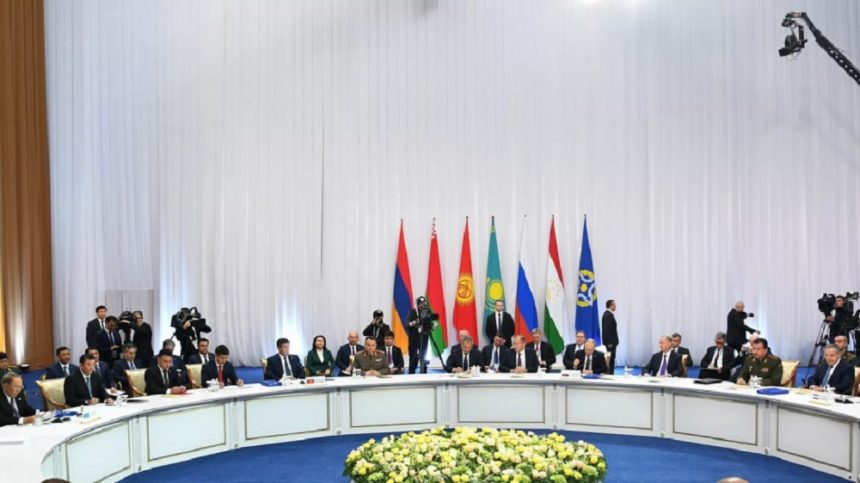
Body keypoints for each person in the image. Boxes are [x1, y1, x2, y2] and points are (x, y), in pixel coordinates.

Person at [406, 296, 439, 374]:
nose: (422, 306)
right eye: (420, 304)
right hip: (414, 338)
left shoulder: (427, 312)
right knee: (413, 357)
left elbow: (430, 323)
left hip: (424, 337)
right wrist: (416, 322)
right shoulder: (413, 312)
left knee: (424, 356)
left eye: (423, 304)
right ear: (417, 304)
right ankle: (411, 373)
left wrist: (433, 325)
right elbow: (408, 324)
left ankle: (424, 372)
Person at [601, 299, 619, 373]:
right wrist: (610, 343)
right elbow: (607, 330)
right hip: (610, 344)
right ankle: (610, 374)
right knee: (610, 360)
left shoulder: (608, 314)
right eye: (614, 305)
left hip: (610, 343)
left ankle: (611, 373)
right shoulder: (608, 315)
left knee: (611, 360)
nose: (615, 306)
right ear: (611, 305)